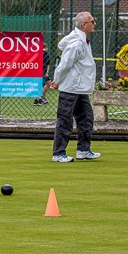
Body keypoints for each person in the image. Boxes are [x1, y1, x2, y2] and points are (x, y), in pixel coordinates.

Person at [51, 12, 101, 163]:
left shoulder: (83, 40)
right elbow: (65, 64)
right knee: (65, 120)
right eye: (92, 21)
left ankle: (83, 150)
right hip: (70, 88)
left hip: (81, 89)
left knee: (86, 119)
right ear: (84, 25)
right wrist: (56, 80)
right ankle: (58, 153)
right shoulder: (76, 43)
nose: (94, 24)